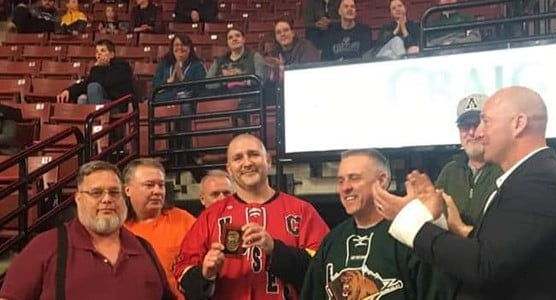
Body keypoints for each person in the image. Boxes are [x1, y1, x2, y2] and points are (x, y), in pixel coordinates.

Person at [373, 86, 556, 299]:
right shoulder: (527, 179)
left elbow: (483, 266)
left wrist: (408, 218)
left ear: (518, 124)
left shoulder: (540, 183)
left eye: (486, 121)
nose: (479, 133)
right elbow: (497, 251)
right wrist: (444, 224)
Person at [173, 134, 330, 299]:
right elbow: (182, 272)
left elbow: (324, 267)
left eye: (254, 154)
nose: (247, 163)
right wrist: (205, 274)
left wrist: (276, 250)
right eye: (238, 158)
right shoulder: (210, 216)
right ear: (229, 168)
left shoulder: (301, 211)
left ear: (268, 160)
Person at [0, 161, 174, 300]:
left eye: (114, 192)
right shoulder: (46, 246)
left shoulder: (143, 248)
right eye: (96, 193)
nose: (107, 199)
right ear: (78, 198)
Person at [301, 149, 455, 300]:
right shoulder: (332, 241)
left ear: (381, 181)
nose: (346, 187)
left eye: (354, 178)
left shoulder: (410, 236)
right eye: (341, 180)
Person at [123, 158, 197, 300]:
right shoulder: (117, 228)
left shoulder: (183, 220)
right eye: (149, 185)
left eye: (161, 185)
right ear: (128, 190)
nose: (157, 191)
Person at [435, 94, 503, 231]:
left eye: (477, 124)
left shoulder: (507, 169)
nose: (471, 132)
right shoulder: (449, 172)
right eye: (465, 126)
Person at [56, 39, 133, 105]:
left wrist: (99, 68)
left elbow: (107, 83)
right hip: (102, 102)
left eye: (102, 51)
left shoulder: (122, 67)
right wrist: (69, 91)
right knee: (82, 99)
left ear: (112, 54)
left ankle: (98, 120)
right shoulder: (97, 68)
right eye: (97, 52)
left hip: (118, 104)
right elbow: (86, 83)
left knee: (93, 87)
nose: (99, 54)